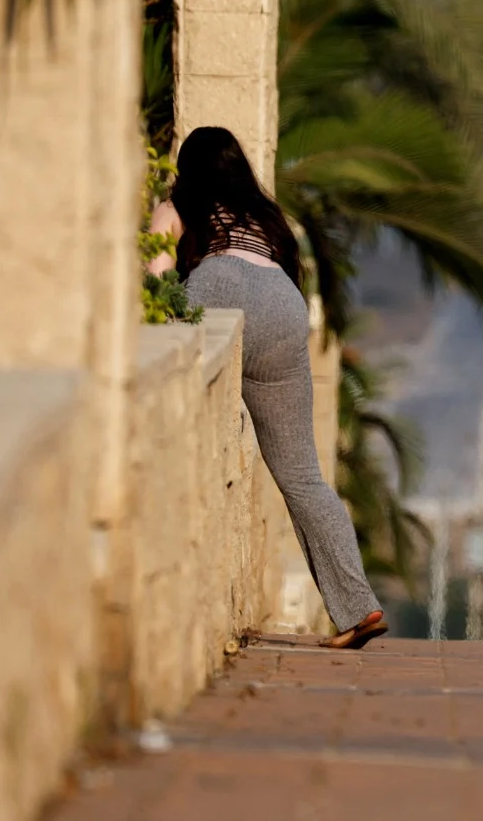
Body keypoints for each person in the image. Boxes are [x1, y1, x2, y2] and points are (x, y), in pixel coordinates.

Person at [149, 127, 388, 649]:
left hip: (219, 290)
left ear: (188, 169)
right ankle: (359, 606)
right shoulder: (266, 215)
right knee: (304, 478)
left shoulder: (180, 204)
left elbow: (156, 277)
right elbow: (292, 275)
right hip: (283, 308)